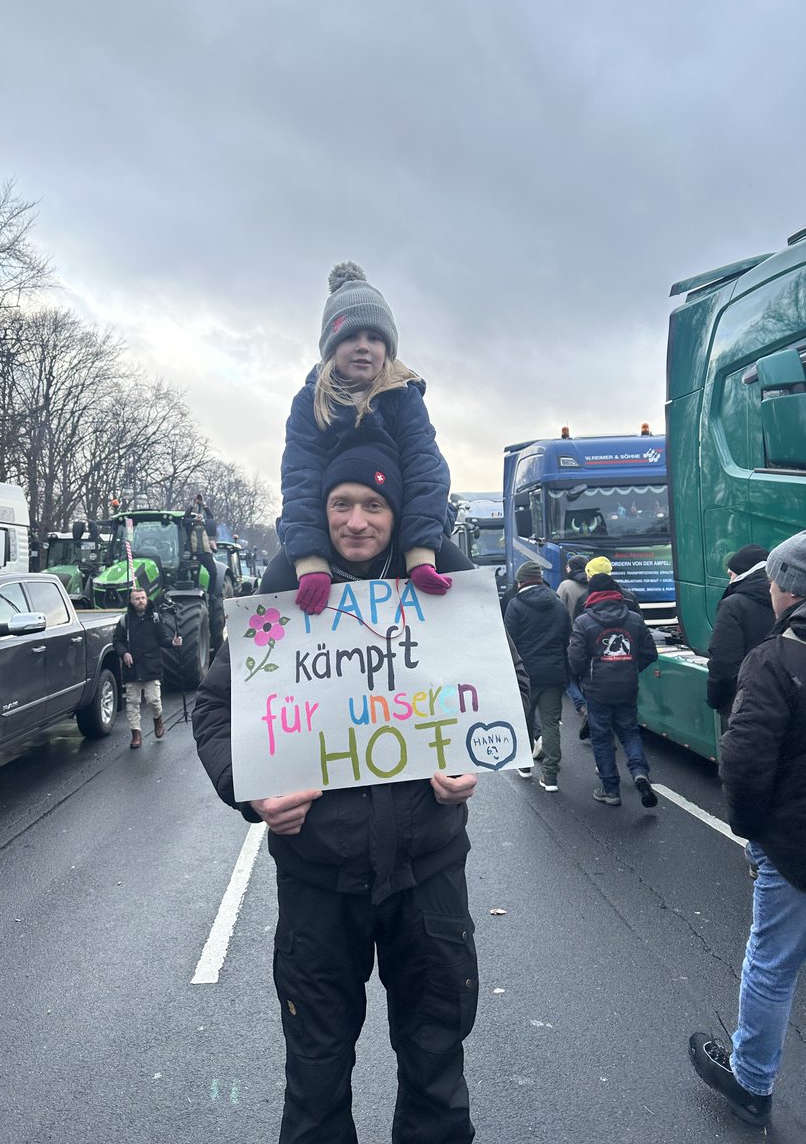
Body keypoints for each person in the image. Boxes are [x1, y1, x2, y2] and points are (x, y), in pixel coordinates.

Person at [194, 438, 530, 1144]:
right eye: (341, 504)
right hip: (319, 885)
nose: (355, 520)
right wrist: (249, 793)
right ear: (323, 512)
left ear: (396, 509)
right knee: (315, 1082)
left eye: (373, 504)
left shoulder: (443, 573)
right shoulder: (283, 584)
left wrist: (474, 758)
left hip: (428, 880)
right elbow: (215, 709)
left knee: (437, 1072)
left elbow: (510, 686)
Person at [689, 530, 806, 1129]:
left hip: (793, 842)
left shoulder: (777, 656)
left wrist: (749, 833)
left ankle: (751, 1080)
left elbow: (747, 757)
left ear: (785, 587)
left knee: (772, 962)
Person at [280, 261, 453, 616]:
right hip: (334, 527)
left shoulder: (405, 397)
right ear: (331, 346)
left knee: (459, 573)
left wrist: (421, 554)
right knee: (273, 586)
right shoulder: (308, 403)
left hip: (400, 527)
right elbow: (300, 478)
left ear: (388, 348)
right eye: (350, 337)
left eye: (374, 338)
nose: (363, 347)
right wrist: (310, 561)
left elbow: (425, 468)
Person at [568, 572, 658, 808]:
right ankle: (639, 771)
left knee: (601, 737)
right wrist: (630, 669)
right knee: (629, 732)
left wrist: (584, 677)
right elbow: (650, 653)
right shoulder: (634, 619)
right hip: (627, 686)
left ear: (592, 594)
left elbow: (576, 659)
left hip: (597, 689)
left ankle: (610, 790)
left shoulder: (583, 622)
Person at [505, 560, 571, 791]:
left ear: (520, 582)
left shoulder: (515, 605)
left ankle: (524, 766)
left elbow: (508, 641)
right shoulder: (557, 603)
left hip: (526, 674)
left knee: (525, 719)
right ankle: (550, 776)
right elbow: (566, 636)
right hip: (553, 672)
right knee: (551, 723)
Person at [706, 544, 773, 722]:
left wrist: (716, 700)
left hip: (745, 703)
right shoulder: (787, 598)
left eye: (730, 574)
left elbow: (723, 661)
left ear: (742, 573)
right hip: (782, 699)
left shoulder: (733, 605)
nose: (729, 580)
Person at [112, 587, 181, 748]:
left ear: (147, 599)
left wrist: (172, 642)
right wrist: (124, 653)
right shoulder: (125, 621)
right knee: (132, 702)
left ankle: (158, 720)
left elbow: (162, 639)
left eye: (143, 598)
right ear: (131, 601)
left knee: (153, 700)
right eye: (137, 598)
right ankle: (136, 734)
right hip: (132, 669)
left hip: (152, 667)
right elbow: (117, 641)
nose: (141, 601)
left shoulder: (155, 618)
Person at [556, 554, 590, 730]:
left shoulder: (565, 586)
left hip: (570, 637)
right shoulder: (593, 583)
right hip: (591, 636)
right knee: (586, 675)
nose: (566, 569)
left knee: (568, 677)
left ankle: (582, 706)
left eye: (568, 566)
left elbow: (558, 611)